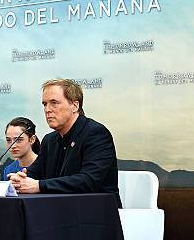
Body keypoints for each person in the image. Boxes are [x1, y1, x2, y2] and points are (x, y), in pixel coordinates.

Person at [8, 79, 121, 207]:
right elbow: (34, 173)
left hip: (95, 212)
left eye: (54, 103)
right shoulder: (49, 140)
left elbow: (89, 180)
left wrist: (39, 185)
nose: (47, 110)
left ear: (75, 106)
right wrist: (20, 179)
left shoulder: (96, 133)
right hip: (59, 210)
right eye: (44, 104)